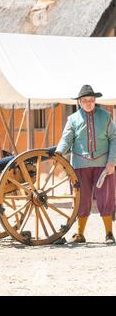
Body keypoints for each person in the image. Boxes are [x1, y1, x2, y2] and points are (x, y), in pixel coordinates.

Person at [56, 84, 116, 244]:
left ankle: (109, 234)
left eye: (91, 100)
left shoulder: (105, 116)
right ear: (80, 102)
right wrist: (59, 151)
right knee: (81, 199)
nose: (88, 103)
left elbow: (114, 138)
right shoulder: (73, 119)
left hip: (103, 165)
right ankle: (80, 234)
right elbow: (66, 138)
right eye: (85, 100)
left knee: (106, 198)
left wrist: (112, 162)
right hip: (79, 165)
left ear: (95, 100)